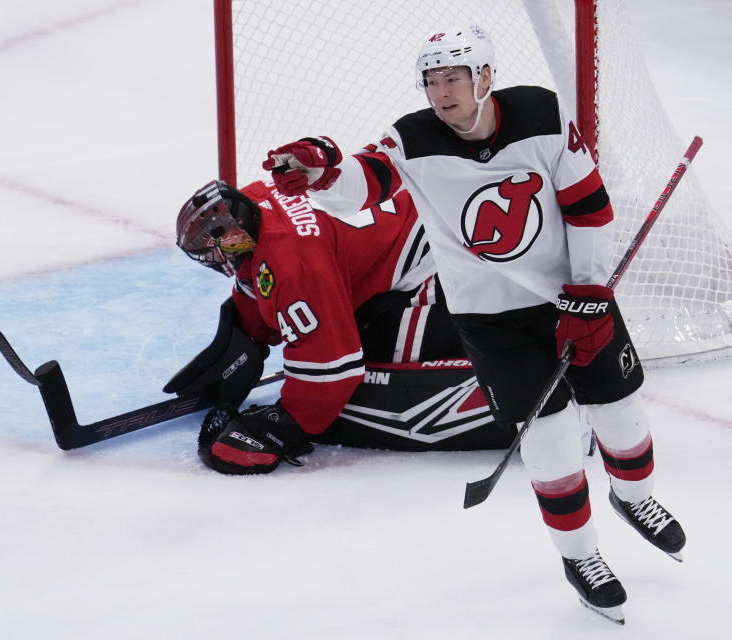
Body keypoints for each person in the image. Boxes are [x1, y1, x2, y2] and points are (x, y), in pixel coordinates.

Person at [262, 24, 685, 624]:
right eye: (433, 81)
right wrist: (321, 170)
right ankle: (582, 557)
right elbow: (363, 184)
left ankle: (635, 498)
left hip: (573, 293)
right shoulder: (412, 138)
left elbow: (590, 205)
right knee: (551, 436)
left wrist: (588, 294)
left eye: (455, 78)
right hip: (491, 319)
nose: (443, 92)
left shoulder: (541, 113)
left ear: (486, 77)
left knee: (620, 411)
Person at [167, 178, 515, 475]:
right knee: (346, 339)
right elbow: (260, 277)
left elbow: (333, 370)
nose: (214, 256)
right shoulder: (259, 204)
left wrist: (285, 423)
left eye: (213, 247)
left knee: (354, 394)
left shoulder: (293, 262)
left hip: (446, 266)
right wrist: (242, 340)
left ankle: (509, 386)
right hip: (450, 227)